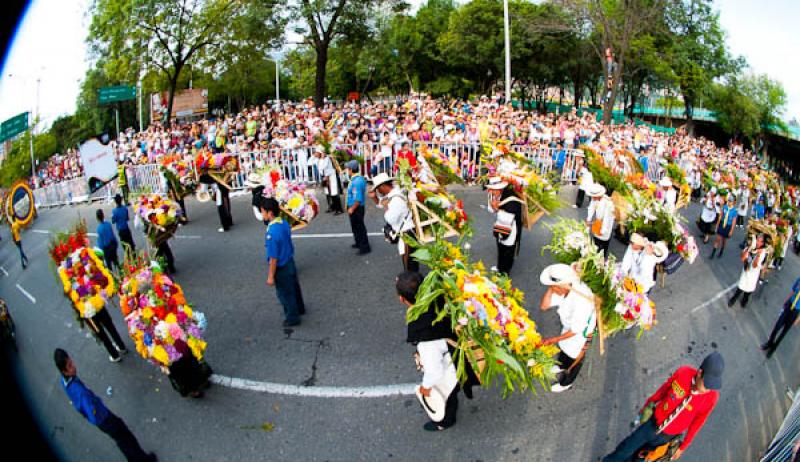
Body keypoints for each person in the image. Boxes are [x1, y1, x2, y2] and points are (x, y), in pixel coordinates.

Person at [603, 352, 724, 462]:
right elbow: (664, 389)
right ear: (699, 373)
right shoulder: (683, 373)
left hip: (665, 438)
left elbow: (698, 423)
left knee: (640, 459)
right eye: (706, 384)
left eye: (711, 386)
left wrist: (682, 447)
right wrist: (649, 405)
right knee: (624, 450)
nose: (707, 389)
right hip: (651, 424)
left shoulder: (711, 398)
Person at [396, 271, 476, 431]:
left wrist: (425, 387)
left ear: (402, 299)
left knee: (446, 396)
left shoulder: (425, 337)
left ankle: (445, 421)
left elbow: (435, 372)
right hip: (452, 355)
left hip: (449, 370)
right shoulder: (438, 297)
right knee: (452, 393)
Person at [54, 349, 156, 462]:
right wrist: (98, 411)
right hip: (104, 418)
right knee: (126, 438)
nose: (73, 366)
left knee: (121, 440)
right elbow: (91, 412)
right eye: (69, 366)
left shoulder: (65, 382)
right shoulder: (80, 392)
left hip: (101, 419)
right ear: (64, 371)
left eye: (71, 362)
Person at [539, 264, 596, 393]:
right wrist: (551, 287)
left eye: (554, 288)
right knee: (564, 348)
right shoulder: (563, 289)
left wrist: (552, 340)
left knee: (574, 357)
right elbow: (544, 306)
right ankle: (561, 365)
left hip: (581, 333)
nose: (552, 290)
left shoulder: (582, 301)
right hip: (569, 325)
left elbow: (575, 330)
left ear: (563, 286)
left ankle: (567, 382)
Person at [261, 197, 306, 327]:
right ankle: (300, 308)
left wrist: (270, 276)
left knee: (285, 293)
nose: (262, 214)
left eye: (263, 212)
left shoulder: (271, 233)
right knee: (295, 287)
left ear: (270, 213)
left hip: (281, 267)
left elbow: (273, 257)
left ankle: (292, 318)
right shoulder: (284, 223)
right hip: (290, 260)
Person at [369, 173, 417, 271]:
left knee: (409, 266)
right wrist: (374, 198)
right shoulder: (394, 194)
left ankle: (412, 283)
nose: (378, 191)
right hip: (407, 232)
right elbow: (382, 203)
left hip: (407, 234)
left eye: (378, 189)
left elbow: (390, 218)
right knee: (410, 262)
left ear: (382, 186)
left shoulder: (395, 199)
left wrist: (386, 207)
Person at [487, 177, 523, 275]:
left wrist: (497, 209)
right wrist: (494, 206)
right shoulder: (499, 195)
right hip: (501, 225)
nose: (491, 192)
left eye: (493, 190)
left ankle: (505, 272)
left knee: (508, 250)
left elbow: (508, 217)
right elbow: (491, 210)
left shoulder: (511, 200)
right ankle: (500, 268)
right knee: (500, 246)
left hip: (511, 228)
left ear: (500, 188)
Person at [761, 276, 800, 359]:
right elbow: (793, 291)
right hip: (789, 305)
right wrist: (785, 301)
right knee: (777, 326)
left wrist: (798, 319)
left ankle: (773, 349)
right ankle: (769, 343)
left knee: (783, 333)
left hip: (796, 312)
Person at [728, 233, 767, 308]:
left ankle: (745, 300)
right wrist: (748, 251)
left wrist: (758, 255)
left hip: (753, 275)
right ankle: (733, 299)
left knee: (749, 290)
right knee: (740, 287)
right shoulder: (750, 247)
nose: (758, 243)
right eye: (757, 240)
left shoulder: (763, 252)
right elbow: (742, 258)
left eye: (760, 241)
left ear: (762, 243)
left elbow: (755, 265)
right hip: (746, 272)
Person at [345, 160, 371, 255]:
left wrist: (352, 208)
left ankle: (364, 247)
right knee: (355, 227)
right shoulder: (356, 178)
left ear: (351, 169)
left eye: (348, 169)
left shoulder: (356, 182)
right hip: (355, 207)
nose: (347, 171)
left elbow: (358, 198)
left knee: (359, 227)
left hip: (356, 208)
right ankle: (358, 242)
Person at [586, 183, 615, 258]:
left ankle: (601, 260)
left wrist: (603, 230)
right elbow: (591, 208)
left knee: (602, 245)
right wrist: (588, 219)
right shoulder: (594, 199)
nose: (592, 198)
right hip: (598, 222)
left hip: (606, 225)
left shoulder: (608, 203)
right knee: (596, 242)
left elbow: (607, 218)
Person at [710, 195, 737, 259]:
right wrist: (717, 225)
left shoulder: (734, 211)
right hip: (722, 224)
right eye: (729, 201)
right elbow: (720, 216)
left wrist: (731, 231)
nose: (729, 202)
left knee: (724, 240)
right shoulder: (725, 207)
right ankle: (712, 254)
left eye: (730, 201)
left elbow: (733, 222)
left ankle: (721, 251)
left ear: (733, 202)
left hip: (728, 226)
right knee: (718, 239)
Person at [318, 150, 344, 214]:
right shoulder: (321, 159)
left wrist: (326, 177)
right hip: (326, 176)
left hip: (332, 176)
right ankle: (332, 206)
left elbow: (324, 167)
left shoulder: (328, 158)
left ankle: (339, 209)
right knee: (327, 192)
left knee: (334, 192)